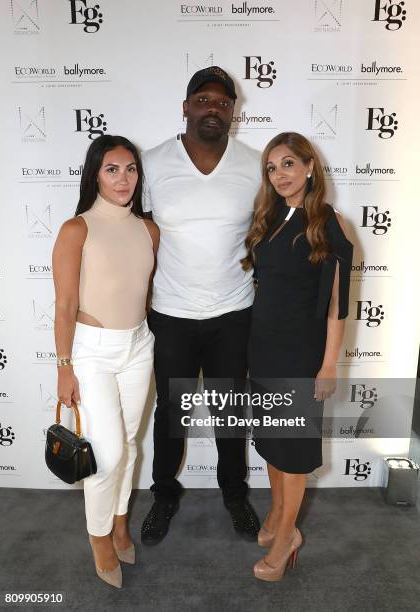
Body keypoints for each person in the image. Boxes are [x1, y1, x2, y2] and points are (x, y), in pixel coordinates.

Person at [140, 66, 261, 544]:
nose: (214, 108)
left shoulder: (255, 163)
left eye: (224, 102)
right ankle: (164, 495)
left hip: (234, 311)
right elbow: (140, 232)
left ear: (234, 111)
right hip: (171, 312)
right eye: (204, 99)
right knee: (171, 413)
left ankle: (235, 494)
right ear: (186, 106)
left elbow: (274, 225)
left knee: (230, 411)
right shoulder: (151, 162)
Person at [242, 132, 353, 581]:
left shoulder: (328, 222)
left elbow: (337, 305)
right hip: (263, 351)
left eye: (287, 164)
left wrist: (328, 365)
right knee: (271, 444)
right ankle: (277, 515)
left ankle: (288, 535)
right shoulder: (268, 219)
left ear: (309, 167)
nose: (279, 174)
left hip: (301, 358)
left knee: (293, 454)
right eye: (271, 167)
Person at [52, 135, 159, 588]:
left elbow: (144, 292)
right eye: (112, 169)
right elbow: (64, 304)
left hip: (139, 345)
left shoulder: (148, 229)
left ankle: (119, 523)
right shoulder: (77, 228)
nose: (123, 178)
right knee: (108, 452)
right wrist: (64, 365)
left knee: (131, 443)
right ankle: (99, 536)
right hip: (92, 351)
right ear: (95, 173)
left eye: (130, 168)